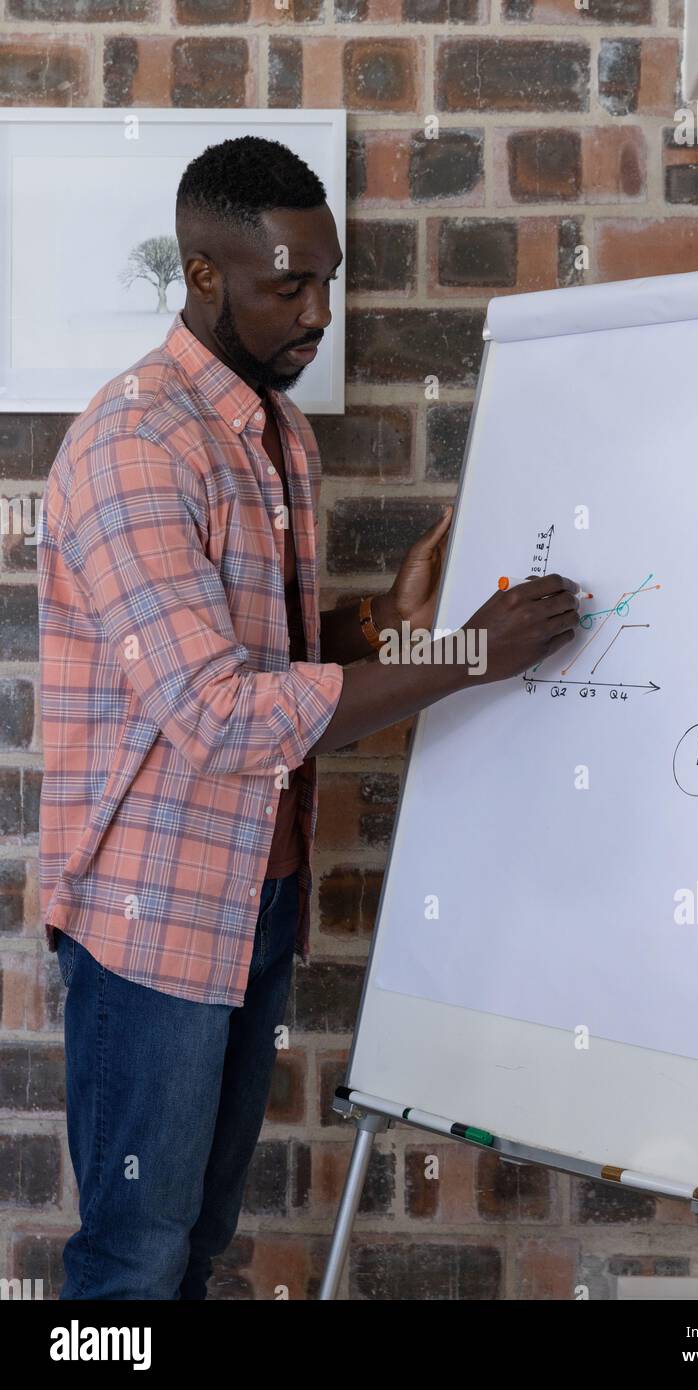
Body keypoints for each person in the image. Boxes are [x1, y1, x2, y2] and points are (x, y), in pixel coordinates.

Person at [37, 134, 579, 1300]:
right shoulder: (136, 444)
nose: (318, 310)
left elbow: (262, 653)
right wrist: (470, 658)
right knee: (131, 1260)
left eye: (327, 280)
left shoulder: (278, 435)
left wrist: (386, 621)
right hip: (153, 922)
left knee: (197, 1248)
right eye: (288, 283)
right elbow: (222, 715)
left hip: (255, 897)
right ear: (201, 273)